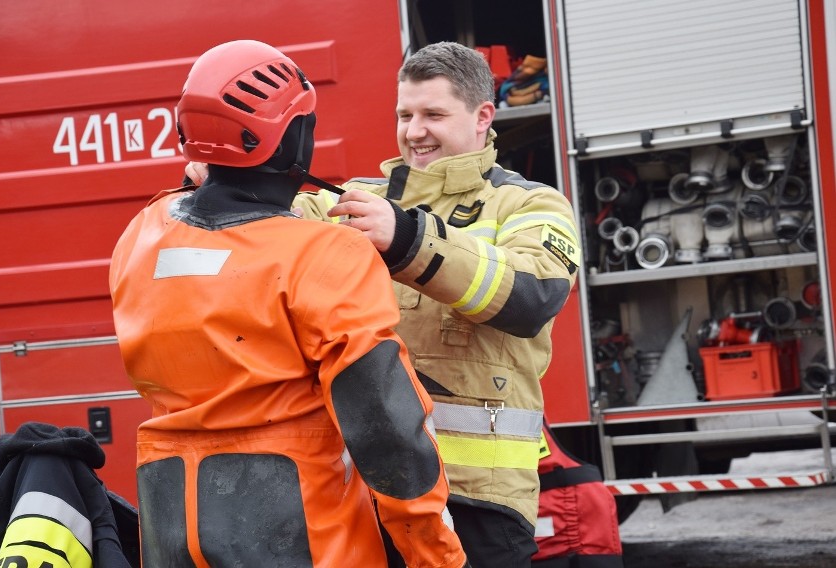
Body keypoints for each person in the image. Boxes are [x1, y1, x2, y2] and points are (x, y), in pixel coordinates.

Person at [186, 40, 581, 567]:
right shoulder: (346, 201)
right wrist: (224, 182)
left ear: (483, 116)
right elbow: (261, 223)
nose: (415, 130)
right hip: (364, 494)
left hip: (477, 502)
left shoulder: (532, 204)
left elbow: (532, 297)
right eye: (405, 114)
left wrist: (409, 239)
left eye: (433, 114)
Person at [110, 39, 467, 568]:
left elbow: (194, 217)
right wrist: (437, 557)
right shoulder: (324, 255)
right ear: (295, 137)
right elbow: (386, 430)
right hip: (305, 542)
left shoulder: (143, 236)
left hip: (173, 539)